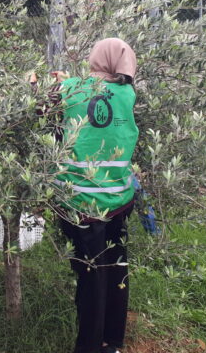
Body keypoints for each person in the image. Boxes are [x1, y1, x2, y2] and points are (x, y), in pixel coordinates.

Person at [55, 38, 139, 353]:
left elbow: (45, 104)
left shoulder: (72, 89)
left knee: (91, 277)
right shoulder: (128, 94)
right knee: (117, 266)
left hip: (81, 203)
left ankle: (88, 346)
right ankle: (113, 341)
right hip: (119, 199)